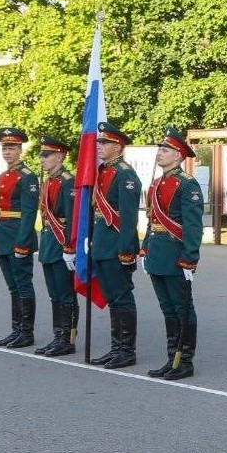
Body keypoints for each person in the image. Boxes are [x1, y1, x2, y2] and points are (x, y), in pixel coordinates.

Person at [140, 128, 204, 381]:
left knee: (182, 308)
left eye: (165, 150)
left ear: (178, 155)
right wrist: (145, 247)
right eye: (160, 149)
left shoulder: (187, 184)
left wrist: (190, 256)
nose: (160, 153)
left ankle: (184, 361)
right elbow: (151, 220)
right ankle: (171, 358)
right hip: (158, 253)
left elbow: (193, 225)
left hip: (176, 254)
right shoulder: (156, 184)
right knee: (168, 309)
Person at [88, 122, 142, 369]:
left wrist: (126, 250)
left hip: (117, 245)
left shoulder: (125, 175)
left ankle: (127, 350)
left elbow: (129, 218)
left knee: (122, 297)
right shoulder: (102, 172)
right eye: (99, 142)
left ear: (118, 146)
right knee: (112, 296)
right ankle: (116, 347)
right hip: (102, 243)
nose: (99, 146)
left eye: (105, 142)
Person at [0, 127, 40, 349]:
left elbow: (29, 213)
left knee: (23, 285)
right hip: (3, 236)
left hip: (19, 236)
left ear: (20, 150)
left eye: (12, 148)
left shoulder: (26, 177)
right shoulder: (3, 176)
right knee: (13, 287)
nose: (7, 152)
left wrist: (23, 242)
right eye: (5, 148)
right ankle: (16, 330)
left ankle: (26, 333)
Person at [35, 136, 78, 357]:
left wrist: (70, 247)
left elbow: (72, 218)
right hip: (49, 243)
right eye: (42, 155)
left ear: (60, 156)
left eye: (47, 155)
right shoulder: (49, 181)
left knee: (65, 294)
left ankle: (67, 339)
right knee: (55, 294)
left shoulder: (68, 181)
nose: (42, 159)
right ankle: (58, 336)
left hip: (62, 242)